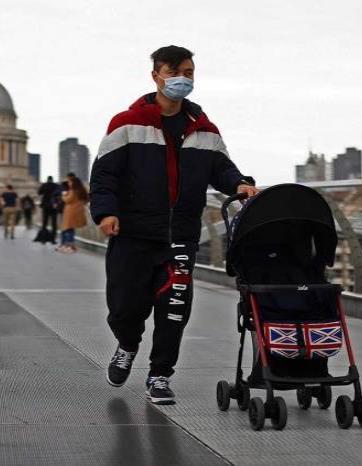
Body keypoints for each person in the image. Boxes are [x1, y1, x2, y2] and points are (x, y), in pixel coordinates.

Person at [89, 45, 259, 404]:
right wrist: (106, 212)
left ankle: (160, 375)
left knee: (175, 308)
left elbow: (222, 168)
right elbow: (104, 174)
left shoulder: (204, 128)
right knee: (125, 307)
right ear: (156, 75)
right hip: (133, 234)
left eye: (190, 72)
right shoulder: (126, 124)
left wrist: (240, 183)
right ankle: (127, 344)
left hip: (180, 236)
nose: (184, 79)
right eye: (176, 71)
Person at [57, 173, 89, 253]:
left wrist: (63, 195)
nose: (68, 183)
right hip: (77, 212)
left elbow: (67, 200)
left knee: (68, 229)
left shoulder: (73, 191)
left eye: (70, 182)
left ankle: (69, 246)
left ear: (73, 183)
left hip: (70, 212)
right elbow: (85, 200)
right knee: (70, 229)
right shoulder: (81, 190)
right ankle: (69, 246)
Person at [38, 176, 58, 242]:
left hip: (45, 206)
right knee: (54, 223)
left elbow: (39, 193)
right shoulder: (56, 186)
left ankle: (44, 239)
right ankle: (53, 239)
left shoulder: (44, 185)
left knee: (44, 223)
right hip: (53, 206)